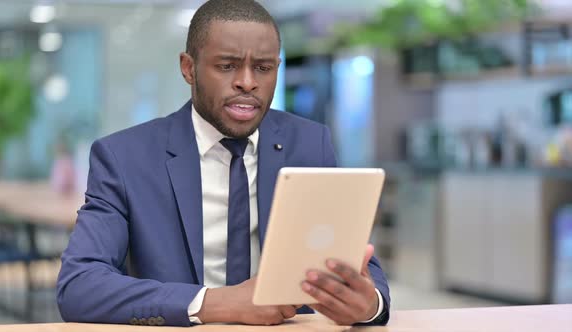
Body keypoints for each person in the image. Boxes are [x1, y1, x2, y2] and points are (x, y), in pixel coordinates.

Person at [56, 0, 390, 327]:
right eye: (227, 66)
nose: (248, 82)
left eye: (263, 67)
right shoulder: (125, 157)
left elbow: (357, 265)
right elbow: (80, 285)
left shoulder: (310, 144)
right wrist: (215, 303)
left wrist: (369, 304)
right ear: (189, 68)